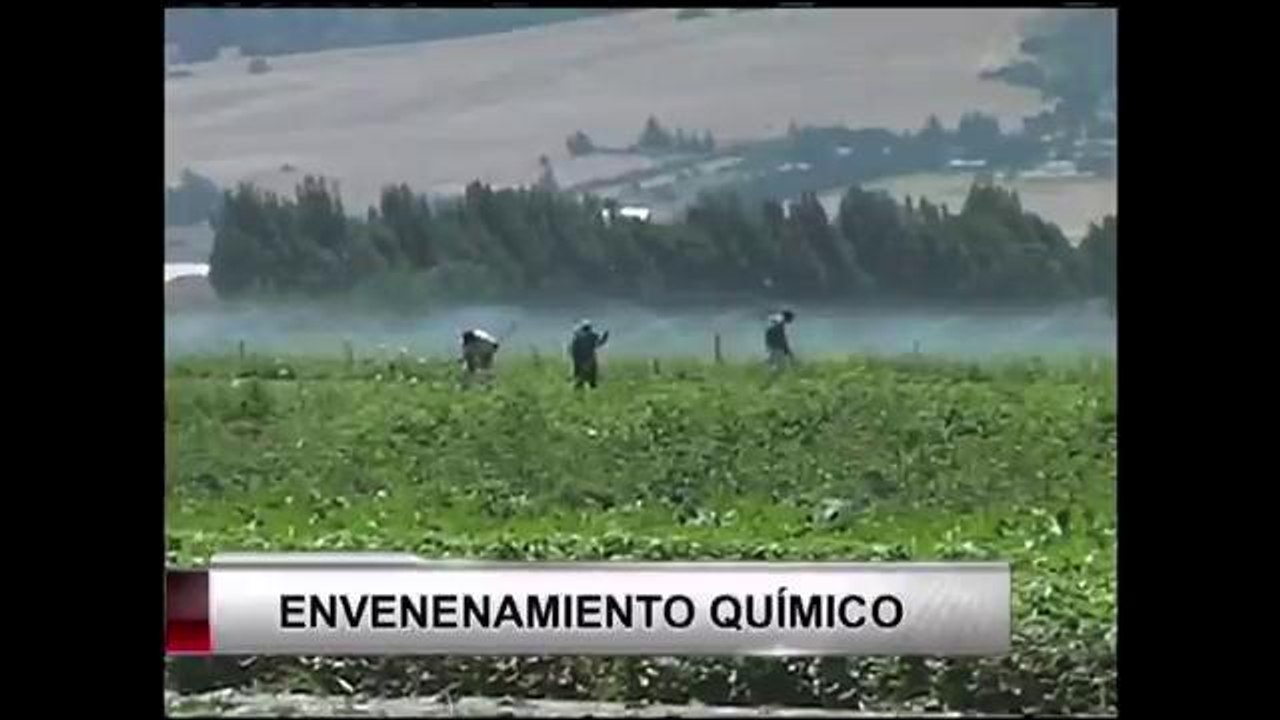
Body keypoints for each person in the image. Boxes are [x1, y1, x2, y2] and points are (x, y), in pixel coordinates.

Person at [569, 319, 609, 388]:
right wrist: (605, 336)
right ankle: (590, 385)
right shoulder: (593, 335)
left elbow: (573, 347)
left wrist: (574, 356)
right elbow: (600, 343)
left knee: (580, 376)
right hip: (589, 358)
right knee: (591, 376)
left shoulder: (578, 335)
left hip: (580, 359)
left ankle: (580, 386)